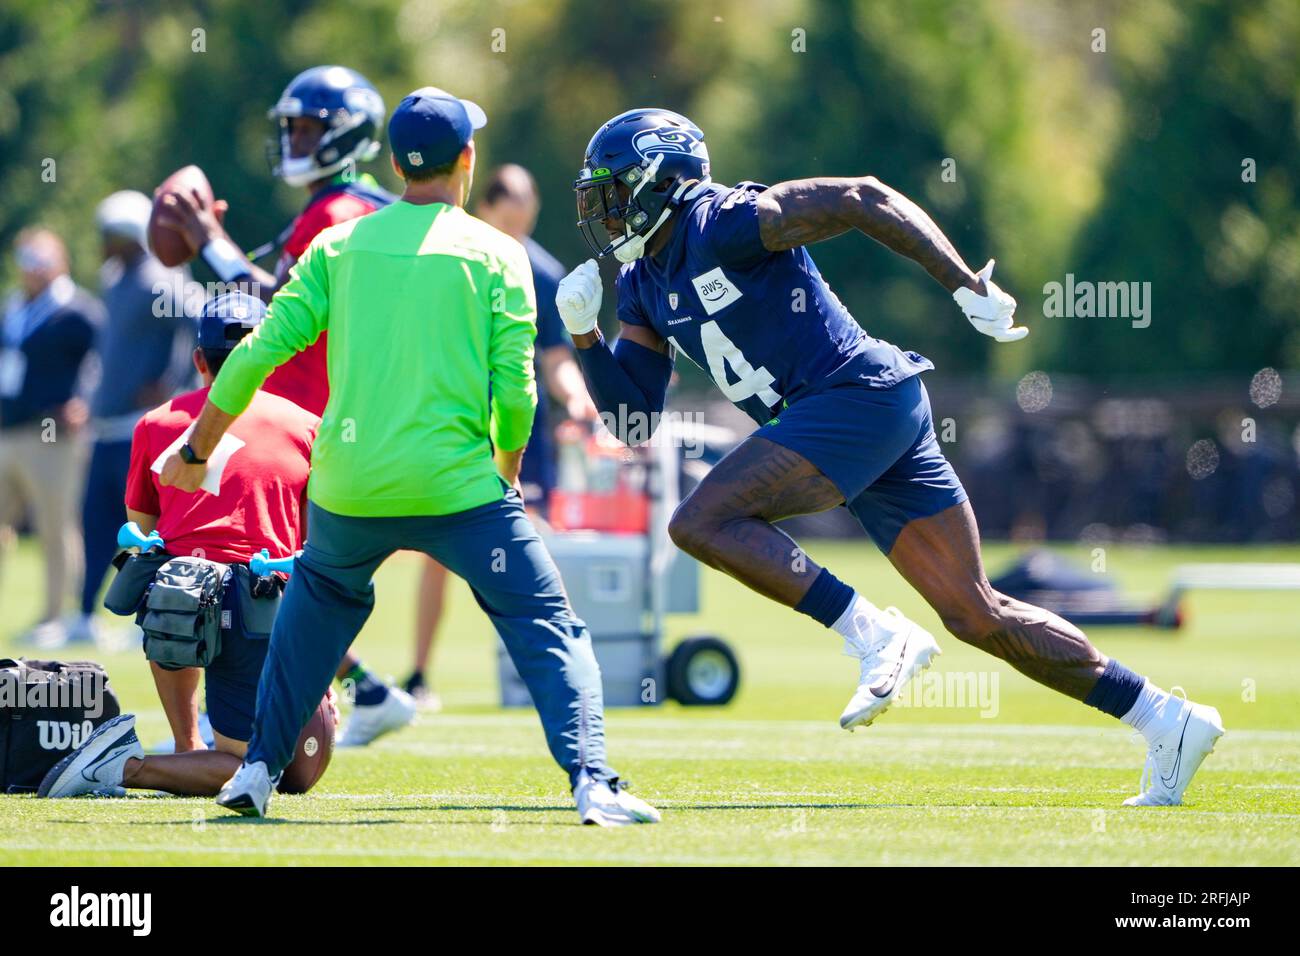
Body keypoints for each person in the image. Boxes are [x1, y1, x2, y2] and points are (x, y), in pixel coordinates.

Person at [557, 108, 1224, 808]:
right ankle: (1164, 719)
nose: (603, 212)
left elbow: (862, 196)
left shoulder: (720, 222)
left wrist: (962, 281)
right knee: (977, 613)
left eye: (612, 191)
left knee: (701, 520)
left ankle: (874, 633)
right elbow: (633, 423)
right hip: (857, 416)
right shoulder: (641, 282)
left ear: (661, 179)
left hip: (857, 397)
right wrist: (584, 337)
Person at [159, 87, 658, 826]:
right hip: (460, 493)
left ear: (394, 163)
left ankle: (257, 772)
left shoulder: (337, 246)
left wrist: (198, 447)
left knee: (308, 620)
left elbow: (258, 349)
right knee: (549, 625)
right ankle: (592, 782)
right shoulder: (499, 253)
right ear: (468, 159)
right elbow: (515, 391)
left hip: (350, 491)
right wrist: (509, 477)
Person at [157, 64, 415, 746]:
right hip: (315, 413)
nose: (295, 139)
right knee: (285, 575)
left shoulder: (341, 210)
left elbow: (276, 304)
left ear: (347, 134)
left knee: (263, 573)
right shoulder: (332, 206)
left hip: (314, 416)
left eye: (308, 128)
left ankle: (263, 730)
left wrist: (210, 244)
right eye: (291, 127)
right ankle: (366, 696)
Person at [37, 292, 325, 799]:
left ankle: (175, 753)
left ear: (198, 360)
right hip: (256, 602)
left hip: (174, 603)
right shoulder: (305, 426)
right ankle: (124, 768)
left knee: (196, 753)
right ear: (271, 353)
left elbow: (143, 535)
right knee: (258, 769)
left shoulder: (155, 423)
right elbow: (313, 547)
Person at [399, 165, 600, 711]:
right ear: (482, 209)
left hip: (520, 436)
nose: (515, 234)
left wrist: (580, 399)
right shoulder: (450, 256)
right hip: (456, 428)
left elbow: (556, 359)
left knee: (529, 552)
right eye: (506, 221)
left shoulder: (544, 271)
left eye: (524, 223)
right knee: (437, 554)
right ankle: (418, 674)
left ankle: (545, 676)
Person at [71, 191, 195, 647]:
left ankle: (154, 612)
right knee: (97, 523)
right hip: (106, 427)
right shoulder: (116, 278)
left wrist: (174, 382)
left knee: (146, 529)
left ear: (127, 237)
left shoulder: (158, 278)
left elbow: (197, 319)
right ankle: (84, 616)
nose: (102, 243)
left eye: (109, 235)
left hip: (139, 428)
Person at [0, 228, 102, 646]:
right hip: (9, 431)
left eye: (39, 262)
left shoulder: (77, 310)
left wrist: (86, 402)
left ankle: (56, 618)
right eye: (27, 262)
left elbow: (102, 362)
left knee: (55, 527)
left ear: (59, 263)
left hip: (52, 437)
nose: (32, 271)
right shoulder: (14, 307)